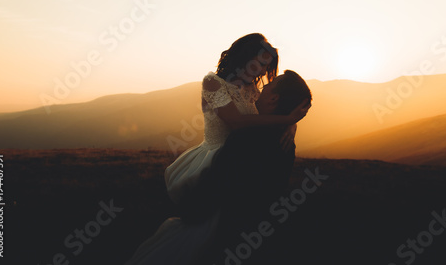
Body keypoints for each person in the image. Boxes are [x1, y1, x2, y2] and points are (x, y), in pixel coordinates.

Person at [124, 70, 312, 265]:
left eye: (267, 86)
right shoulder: (287, 144)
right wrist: (290, 123)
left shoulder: (245, 139)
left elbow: (216, 187)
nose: (260, 89)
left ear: (273, 99)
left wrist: (189, 214)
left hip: (222, 230)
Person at [165, 33, 308, 206]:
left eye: (267, 66)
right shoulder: (213, 82)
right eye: (262, 64)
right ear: (247, 57)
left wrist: (291, 124)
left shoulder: (253, 88)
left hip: (244, 155)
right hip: (215, 157)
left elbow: (265, 115)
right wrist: (286, 119)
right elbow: (237, 122)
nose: (263, 71)